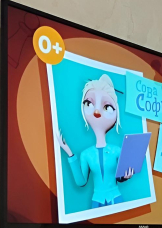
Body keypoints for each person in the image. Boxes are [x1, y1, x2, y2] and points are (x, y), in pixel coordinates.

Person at [56, 74, 134, 208]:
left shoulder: (117, 151)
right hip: (97, 202)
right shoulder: (86, 154)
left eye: (107, 107)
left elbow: (119, 177)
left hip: (116, 199)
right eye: (89, 103)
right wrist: (69, 153)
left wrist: (125, 176)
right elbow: (81, 182)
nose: (97, 111)